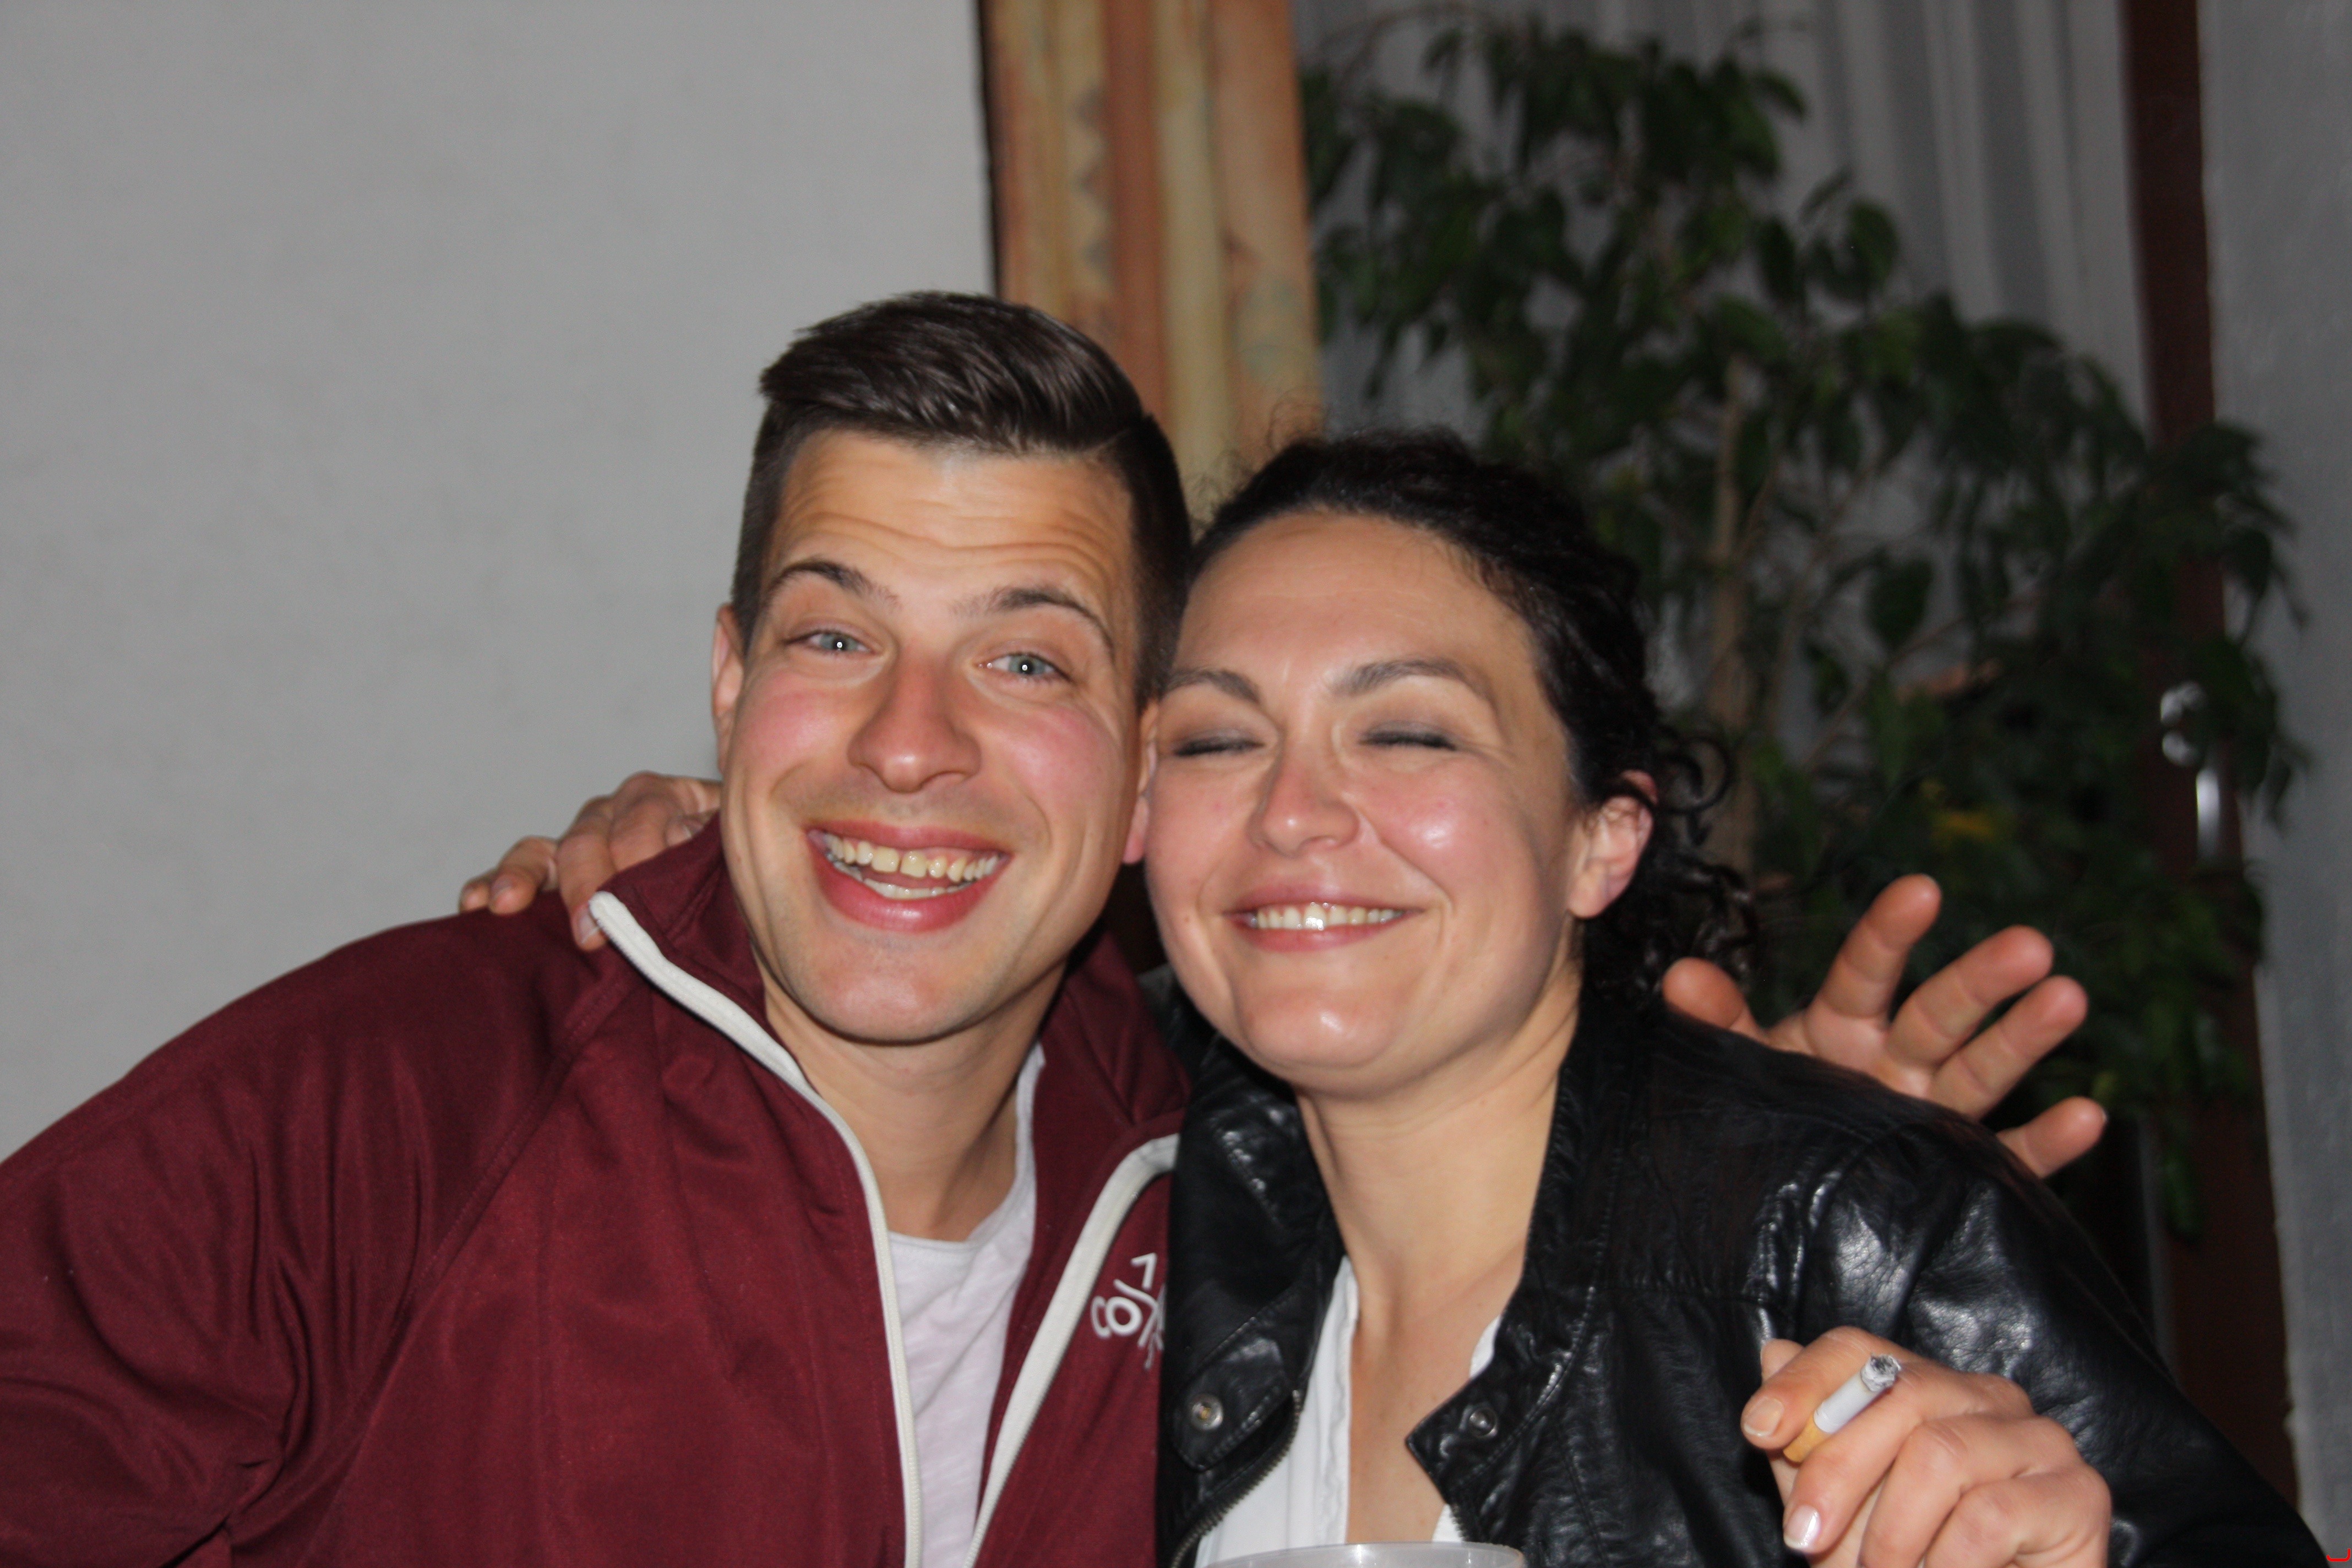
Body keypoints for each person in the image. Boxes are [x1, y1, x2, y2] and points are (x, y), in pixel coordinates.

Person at [0, 293, 2081, 1568]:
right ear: (729, 687)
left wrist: (1725, 1165)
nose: (906, 746)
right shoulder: (393, 1103)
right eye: (836, 638)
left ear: (1136, 768)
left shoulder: (1214, 1167)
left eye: (1023, 659)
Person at [1138, 432, 2318, 1565]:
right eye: (1215, 741)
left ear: (1603, 840)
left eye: (1406, 732)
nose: (1290, 813)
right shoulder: (1144, 1206)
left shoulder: (1844, 1232)